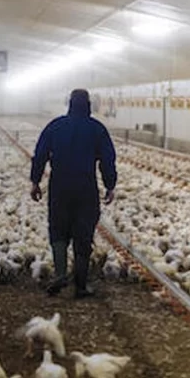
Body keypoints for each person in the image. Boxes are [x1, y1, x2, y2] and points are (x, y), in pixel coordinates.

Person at [30, 89, 117, 298]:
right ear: (88, 104)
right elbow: (107, 159)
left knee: (58, 229)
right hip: (85, 188)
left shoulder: (55, 126)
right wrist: (110, 184)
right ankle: (80, 285)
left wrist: (35, 181)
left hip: (59, 186)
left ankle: (60, 274)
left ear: (69, 103)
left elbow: (40, 154)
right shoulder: (97, 129)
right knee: (83, 233)